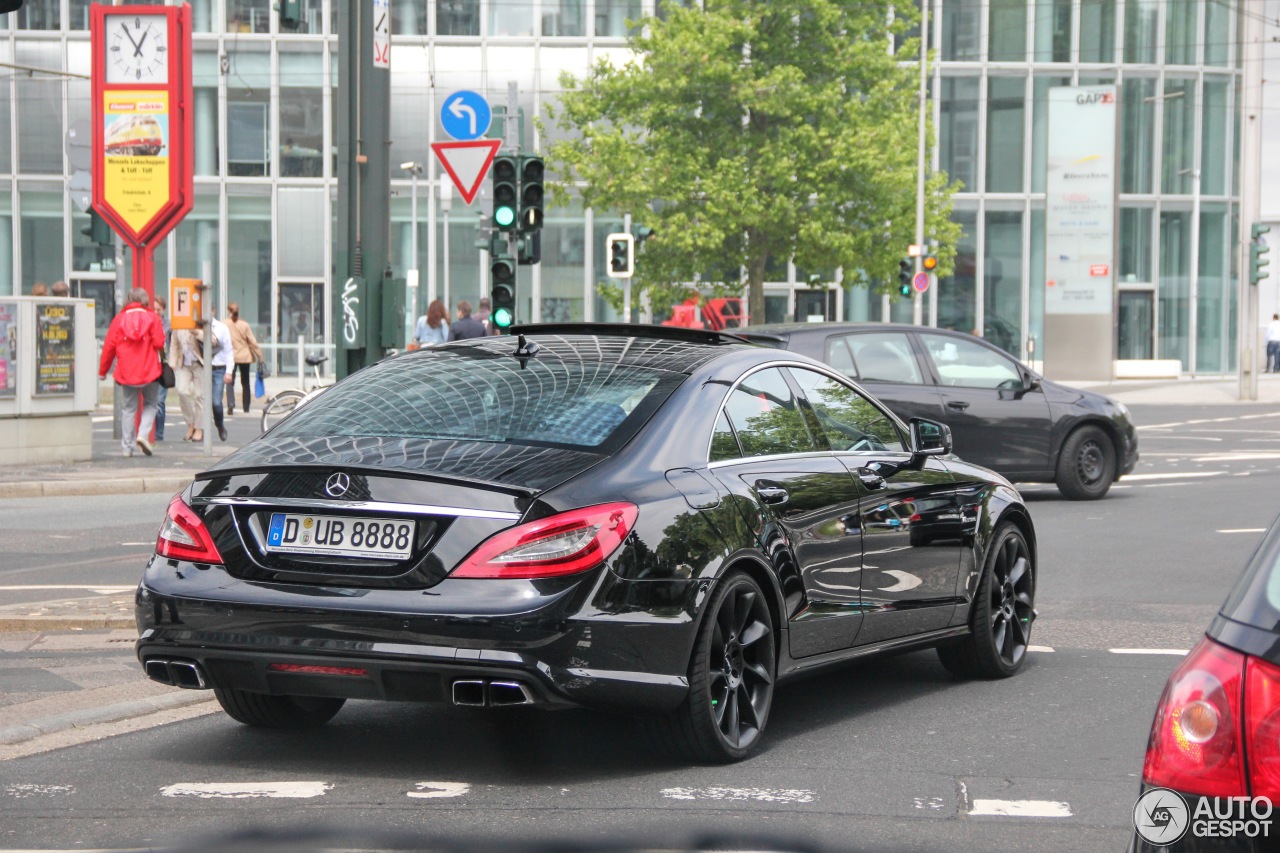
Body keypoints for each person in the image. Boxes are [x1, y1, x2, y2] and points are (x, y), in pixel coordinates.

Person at [98, 288, 165, 457]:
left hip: (127, 371)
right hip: (150, 370)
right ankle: (143, 434)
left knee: (129, 408)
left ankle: (127, 448)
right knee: (151, 404)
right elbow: (159, 343)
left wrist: (103, 371)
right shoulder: (153, 318)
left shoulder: (119, 320)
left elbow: (109, 348)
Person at [226, 303, 263, 414]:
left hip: (231, 355)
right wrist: (259, 355)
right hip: (244, 355)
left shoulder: (224, 324)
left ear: (229, 310)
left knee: (229, 381)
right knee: (245, 382)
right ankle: (246, 406)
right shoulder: (244, 325)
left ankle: (230, 404)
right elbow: (252, 341)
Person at [169, 327, 205, 442]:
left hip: (200, 363)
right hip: (184, 364)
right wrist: (172, 362)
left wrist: (197, 332)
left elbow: (212, 340)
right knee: (181, 391)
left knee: (199, 395)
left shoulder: (199, 320)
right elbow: (174, 345)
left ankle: (199, 428)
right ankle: (191, 424)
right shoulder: (178, 325)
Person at [206, 302, 234, 442]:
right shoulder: (197, 327)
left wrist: (229, 371)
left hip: (219, 369)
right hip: (203, 368)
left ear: (213, 310)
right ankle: (198, 431)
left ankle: (220, 425)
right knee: (201, 401)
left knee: (216, 402)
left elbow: (229, 351)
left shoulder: (222, 328)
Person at [152, 294, 170, 441]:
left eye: (158, 309)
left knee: (160, 401)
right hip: (150, 365)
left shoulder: (169, 326)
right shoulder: (148, 323)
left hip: (163, 366)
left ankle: (159, 434)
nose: (156, 312)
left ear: (163, 310)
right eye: (154, 309)